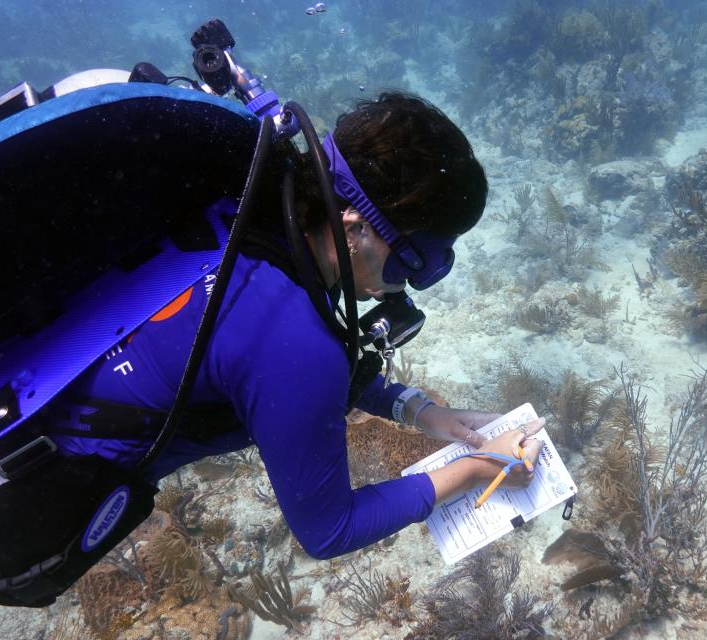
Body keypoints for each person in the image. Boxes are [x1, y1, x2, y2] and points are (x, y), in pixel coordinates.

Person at [31, 91, 544, 560]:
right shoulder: (297, 344)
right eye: (416, 262)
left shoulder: (257, 203)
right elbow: (329, 529)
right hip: (29, 473)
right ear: (354, 227)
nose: (403, 287)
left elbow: (264, 352)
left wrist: (421, 411)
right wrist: (483, 468)